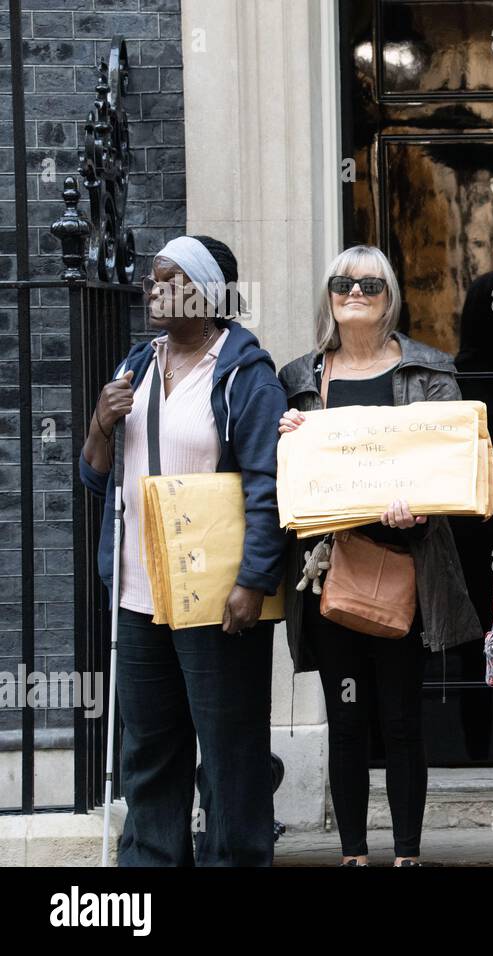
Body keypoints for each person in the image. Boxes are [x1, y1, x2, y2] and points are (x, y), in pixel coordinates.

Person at [77, 235, 287, 866]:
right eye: (150, 278)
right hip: (140, 594)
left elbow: (266, 482)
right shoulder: (135, 366)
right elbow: (96, 478)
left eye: (167, 279)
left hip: (217, 594)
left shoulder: (246, 375)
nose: (151, 289)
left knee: (230, 751)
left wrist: (253, 580)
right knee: (149, 749)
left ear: (205, 294)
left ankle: (237, 858)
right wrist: (99, 424)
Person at [277, 245, 481, 866]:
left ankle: (409, 854)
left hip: (404, 567)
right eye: (342, 283)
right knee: (345, 718)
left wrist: (423, 505)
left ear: (390, 295)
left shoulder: (430, 372)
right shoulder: (298, 379)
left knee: (400, 720)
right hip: (329, 575)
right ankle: (352, 855)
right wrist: (287, 438)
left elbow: (451, 463)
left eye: (369, 283)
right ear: (329, 296)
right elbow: (276, 475)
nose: (354, 292)